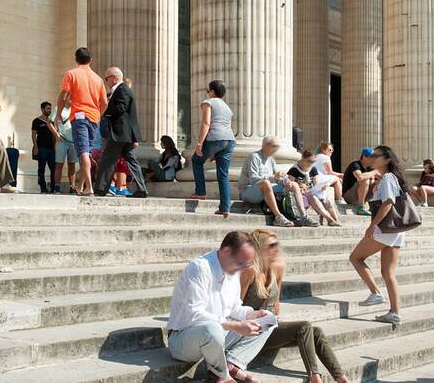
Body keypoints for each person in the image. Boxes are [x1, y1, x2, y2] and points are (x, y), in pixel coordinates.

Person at [241, 229, 350, 383]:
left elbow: (276, 302)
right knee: (304, 326)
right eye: (271, 245)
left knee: (316, 332)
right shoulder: (250, 271)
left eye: (277, 244)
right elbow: (236, 305)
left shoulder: (277, 268)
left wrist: (276, 324)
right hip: (251, 330)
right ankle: (315, 377)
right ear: (259, 249)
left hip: (269, 326)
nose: (276, 249)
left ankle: (341, 378)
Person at [167, 231, 274, 383]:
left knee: (267, 322)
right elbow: (195, 314)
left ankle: (232, 364)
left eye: (246, 265)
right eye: (240, 263)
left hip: (217, 335)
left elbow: (235, 308)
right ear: (226, 251)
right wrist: (236, 326)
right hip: (184, 339)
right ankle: (222, 375)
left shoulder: (233, 270)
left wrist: (253, 314)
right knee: (212, 329)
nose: (243, 269)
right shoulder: (200, 267)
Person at [349, 145, 408, 326]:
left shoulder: (388, 177)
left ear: (387, 159)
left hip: (384, 229)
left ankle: (375, 293)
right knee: (388, 272)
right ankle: (395, 312)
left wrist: (372, 225)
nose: (372, 157)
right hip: (395, 231)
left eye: (377, 155)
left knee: (356, 258)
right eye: (372, 155)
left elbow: (388, 203)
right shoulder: (388, 178)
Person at [55, 47, 108, 196]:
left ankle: (89, 187)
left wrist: (58, 114)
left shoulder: (71, 74)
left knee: (83, 152)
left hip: (79, 117)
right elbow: (104, 103)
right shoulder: (98, 79)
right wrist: (98, 115)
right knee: (88, 152)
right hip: (93, 119)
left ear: (76, 59)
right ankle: (80, 187)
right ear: (91, 60)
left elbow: (63, 97)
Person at [238, 137, 318, 227]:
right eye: (275, 146)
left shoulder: (271, 159)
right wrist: (273, 177)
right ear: (266, 146)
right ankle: (278, 217)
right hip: (247, 191)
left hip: (265, 188)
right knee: (266, 183)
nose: (277, 149)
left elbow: (277, 177)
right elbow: (254, 179)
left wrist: (285, 180)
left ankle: (304, 217)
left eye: (277, 147)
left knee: (294, 185)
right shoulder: (254, 157)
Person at [94, 67, 148, 198]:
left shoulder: (122, 89)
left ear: (114, 77)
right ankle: (142, 189)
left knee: (106, 159)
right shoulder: (121, 89)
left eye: (106, 78)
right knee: (131, 161)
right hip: (124, 133)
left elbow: (121, 108)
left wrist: (105, 111)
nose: (106, 81)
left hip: (120, 133)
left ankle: (101, 189)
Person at [190, 80, 237, 217]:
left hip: (215, 138)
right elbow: (226, 125)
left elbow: (206, 123)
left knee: (196, 161)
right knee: (223, 175)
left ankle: (200, 192)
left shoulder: (208, 102)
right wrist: (215, 152)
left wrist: (199, 143)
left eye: (208, 90)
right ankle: (225, 207)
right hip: (229, 141)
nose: (207, 93)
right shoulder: (228, 108)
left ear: (211, 91)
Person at [287, 150, 342, 226]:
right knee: (312, 197)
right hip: (301, 194)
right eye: (309, 161)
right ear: (303, 158)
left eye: (313, 161)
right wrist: (300, 187)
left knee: (326, 200)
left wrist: (322, 187)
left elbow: (316, 184)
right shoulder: (294, 169)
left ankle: (336, 219)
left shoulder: (313, 169)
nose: (311, 163)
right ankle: (330, 219)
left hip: (311, 191)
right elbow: (290, 185)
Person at [50, 102, 78, 194]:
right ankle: (57, 186)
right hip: (62, 140)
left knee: (72, 164)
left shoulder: (77, 108)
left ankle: (72, 186)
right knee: (59, 164)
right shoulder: (58, 108)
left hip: (74, 141)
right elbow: (49, 122)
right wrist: (56, 135)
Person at [32, 101, 59, 194]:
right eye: (47, 109)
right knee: (41, 168)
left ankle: (52, 188)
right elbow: (33, 135)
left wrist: (55, 147)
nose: (49, 110)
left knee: (53, 169)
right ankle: (43, 188)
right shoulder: (36, 121)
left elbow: (55, 135)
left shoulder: (51, 122)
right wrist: (35, 147)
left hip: (51, 149)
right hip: (41, 148)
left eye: (50, 109)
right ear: (42, 109)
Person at [342, 148, 378, 217]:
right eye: (371, 158)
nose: (373, 160)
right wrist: (375, 172)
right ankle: (360, 208)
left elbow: (374, 180)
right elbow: (360, 177)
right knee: (365, 180)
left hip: (363, 196)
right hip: (349, 196)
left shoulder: (370, 168)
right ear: (364, 157)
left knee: (380, 182)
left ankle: (377, 206)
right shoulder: (355, 165)